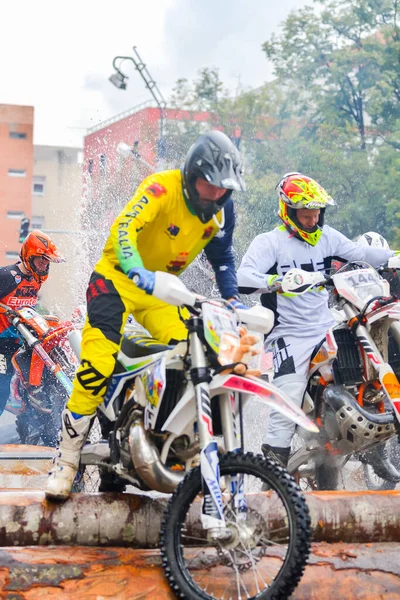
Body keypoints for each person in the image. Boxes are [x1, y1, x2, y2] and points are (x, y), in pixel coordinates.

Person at [45, 130, 246, 500]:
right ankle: (67, 458)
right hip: (117, 279)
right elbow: (124, 230)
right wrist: (137, 269)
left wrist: (233, 299)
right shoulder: (160, 188)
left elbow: (223, 259)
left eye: (223, 189)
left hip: (162, 291)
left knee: (199, 349)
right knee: (96, 365)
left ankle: (167, 437)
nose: (215, 195)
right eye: (208, 186)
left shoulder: (221, 209)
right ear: (189, 175)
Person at [236, 172, 397, 473]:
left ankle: (376, 447)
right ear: (288, 211)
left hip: (327, 326)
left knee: (369, 366)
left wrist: (394, 257)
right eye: (305, 216)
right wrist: (277, 282)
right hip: (288, 337)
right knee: (288, 400)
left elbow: (361, 254)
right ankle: (273, 470)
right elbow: (242, 279)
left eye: (315, 215)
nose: (312, 222)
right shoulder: (269, 242)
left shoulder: (328, 237)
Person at [0, 230, 65, 415]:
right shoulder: (7, 275)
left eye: (47, 261)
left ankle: (34, 406)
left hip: (22, 342)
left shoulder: (35, 280)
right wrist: (6, 310)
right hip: (2, 344)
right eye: (41, 260)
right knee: (2, 386)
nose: (44, 265)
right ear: (28, 256)